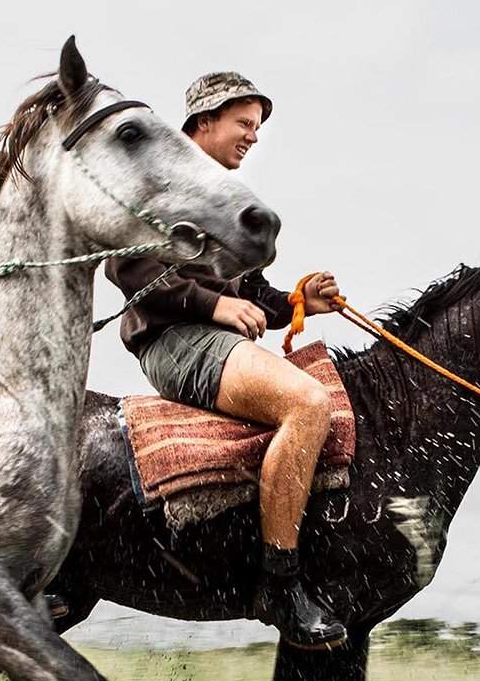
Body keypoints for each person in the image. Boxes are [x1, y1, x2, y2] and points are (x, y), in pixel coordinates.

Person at [106, 73, 347, 647]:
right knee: (309, 404)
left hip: (215, 335)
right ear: (203, 122)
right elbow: (131, 271)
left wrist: (297, 301)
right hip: (175, 341)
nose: (253, 137)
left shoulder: (225, 200)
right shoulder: (152, 187)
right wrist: (215, 305)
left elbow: (249, 295)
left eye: (257, 127)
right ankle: (281, 585)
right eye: (244, 123)